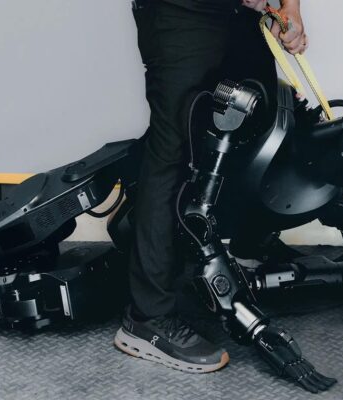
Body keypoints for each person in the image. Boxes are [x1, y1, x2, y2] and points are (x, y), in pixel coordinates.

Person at [114, 0, 308, 372]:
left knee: (259, 122)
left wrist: (291, 9)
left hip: (241, 12)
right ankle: (147, 318)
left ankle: (243, 253)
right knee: (175, 150)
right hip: (180, 11)